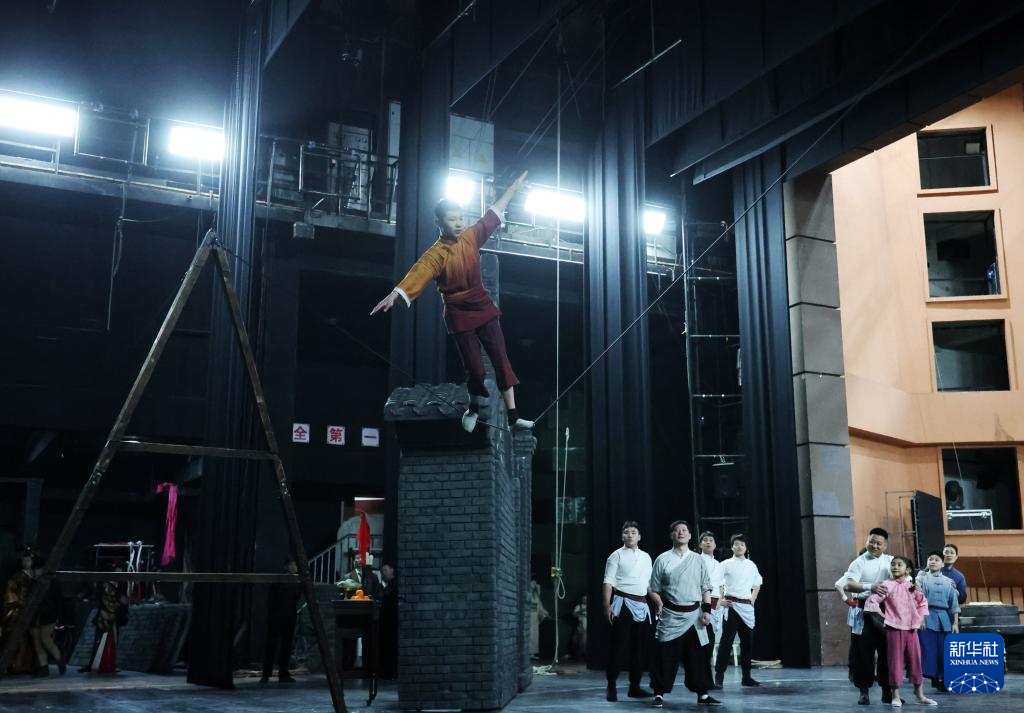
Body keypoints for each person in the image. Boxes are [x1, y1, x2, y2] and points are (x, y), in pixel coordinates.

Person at [371, 171, 534, 433]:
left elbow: (493, 212)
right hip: (458, 314)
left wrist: (514, 187)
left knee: (501, 360)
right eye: (452, 219)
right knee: (475, 370)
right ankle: (473, 408)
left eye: (460, 218)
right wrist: (396, 293)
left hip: (483, 307)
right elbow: (419, 272)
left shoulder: (471, 236)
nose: (458, 223)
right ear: (439, 223)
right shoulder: (436, 254)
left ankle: (514, 418)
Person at [647, 520, 721, 708]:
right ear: (671, 535)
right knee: (665, 656)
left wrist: (707, 611)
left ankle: (703, 694)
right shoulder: (662, 559)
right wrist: (660, 604)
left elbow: (706, 587)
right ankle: (659, 693)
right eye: (676, 530)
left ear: (689, 535)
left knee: (697, 657)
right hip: (670, 615)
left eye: (684, 530)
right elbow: (653, 588)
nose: (680, 532)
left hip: (694, 615)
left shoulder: (698, 559)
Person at [864, 556, 936, 707]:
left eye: (899, 565)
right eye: (893, 564)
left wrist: (921, 618)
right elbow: (871, 602)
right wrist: (885, 618)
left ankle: (920, 695)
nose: (895, 567)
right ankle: (895, 696)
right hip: (894, 630)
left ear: (907, 570)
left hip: (912, 630)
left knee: (916, 661)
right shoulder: (887, 585)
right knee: (895, 662)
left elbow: (922, 602)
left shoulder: (912, 586)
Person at [835, 527, 894, 705]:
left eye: (879, 543)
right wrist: (871, 587)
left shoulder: (891, 561)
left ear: (885, 545)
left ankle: (887, 692)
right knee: (862, 653)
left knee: (887, 652)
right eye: (871, 541)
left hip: (885, 611)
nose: (874, 545)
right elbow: (849, 585)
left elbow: (904, 577)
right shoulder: (858, 562)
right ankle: (864, 691)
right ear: (867, 541)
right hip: (863, 612)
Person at [602, 520, 654, 702]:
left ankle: (635, 687)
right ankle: (611, 685)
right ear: (622, 536)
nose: (630, 535)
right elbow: (608, 582)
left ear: (639, 536)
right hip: (622, 603)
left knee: (639, 648)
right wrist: (606, 606)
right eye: (626, 532)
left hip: (642, 604)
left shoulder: (646, 557)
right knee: (618, 647)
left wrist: (659, 602)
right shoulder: (615, 556)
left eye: (633, 532)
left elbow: (649, 584)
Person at [714, 534, 762, 688]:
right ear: (732, 547)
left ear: (746, 547)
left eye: (742, 544)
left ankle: (746, 677)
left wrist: (753, 599)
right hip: (732, 606)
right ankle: (719, 676)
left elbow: (757, 583)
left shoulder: (751, 565)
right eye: (736, 544)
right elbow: (715, 582)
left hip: (747, 607)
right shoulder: (725, 564)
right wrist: (721, 600)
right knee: (726, 642)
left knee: (747, 643)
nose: (739, 546)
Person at [916, 552, 959, 693]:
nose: (933, 562)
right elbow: (917, 599)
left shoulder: (948, 581)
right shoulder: (921, 579)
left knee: (944, 650)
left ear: (942, 563)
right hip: (927, 617)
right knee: (928, 649)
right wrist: (921, 618)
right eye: (930, 559)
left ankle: (945, 678)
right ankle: (934, 676)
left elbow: (954, 604)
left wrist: (955, 623)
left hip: (944, 619)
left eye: (936, 560)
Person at [81, 563, 129, 674]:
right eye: (117, 572)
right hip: (104, 616)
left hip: (114, 616)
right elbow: (105, 598)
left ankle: (110, 664)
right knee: (100, 641)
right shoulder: (106, 584)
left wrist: (121, 602)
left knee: (112, 641)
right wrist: (118, 600)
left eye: (120, 572)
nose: (118, 574)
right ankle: (96, 664)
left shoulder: (121, 585)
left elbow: (123, 600)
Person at [261, 559, 302, 683]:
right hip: (284, 617)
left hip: (280, 617)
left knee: (276, 646)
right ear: (288, 566)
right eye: (294, 565)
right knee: (281, 646)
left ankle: (269, 674)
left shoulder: (283, 580)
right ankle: (280, 673)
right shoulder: (289, 581)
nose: (295, 567)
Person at [2, 547, 38, 674]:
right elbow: (10, 595)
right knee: (17, 638)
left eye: (29, 560)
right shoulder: (16, 577)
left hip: (34, 611)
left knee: (33, 639)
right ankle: (15, 664)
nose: (27, 562)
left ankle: (28, 664)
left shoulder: (36, 575)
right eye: (24, 560)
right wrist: (21, 604)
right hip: (19, 611)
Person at [697, 532, 723, 689]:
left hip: (716, 604)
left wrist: (720, 600)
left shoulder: (718, 564)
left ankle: (707, 679)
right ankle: (701, 678)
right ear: (700, 544)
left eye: (711, 540)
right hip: (702, 602)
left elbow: (721, 584)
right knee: (701, 643)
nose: (708, 542)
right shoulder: (696, 559)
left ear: (715, 544)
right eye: (704, 540)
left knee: (710, 642)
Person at [30, 561, 65, 676]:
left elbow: (58, 600)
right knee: (38, 642)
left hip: (48, 615)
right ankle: (44, 668)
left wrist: (57, 615)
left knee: (44, 638)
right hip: (35, 616)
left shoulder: (52, 583)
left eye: (37, 569)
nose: (35, 572)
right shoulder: (32, 583)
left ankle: (59, 659)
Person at [378, 562, 399, 678]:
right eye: (382, 571)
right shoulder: (390, 584)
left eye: (385, 570)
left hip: (391, 621)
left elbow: (385, 596)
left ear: (392, 570)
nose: (383, 573)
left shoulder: (394, 584)